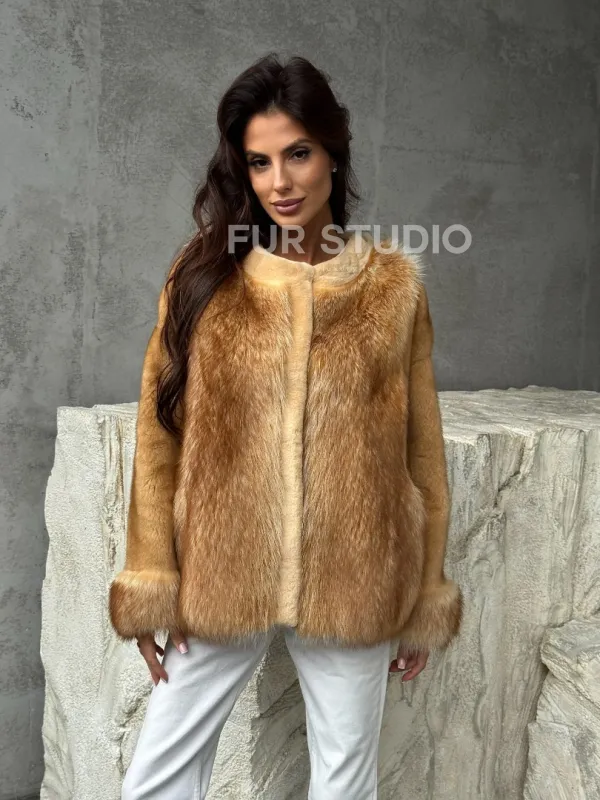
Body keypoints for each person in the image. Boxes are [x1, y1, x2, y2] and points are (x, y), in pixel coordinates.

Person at [108, 52, 463, 800]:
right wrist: (152, 577)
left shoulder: (393, 288)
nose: (280, 182)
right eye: (260, 161)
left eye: (298, 153)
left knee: (346, 783)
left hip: (354, 576)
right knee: (155, 781)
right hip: (220, 572)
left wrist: (425, 593)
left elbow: (422, 454)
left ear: (333, 152)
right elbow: (158, 440)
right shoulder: (204, 279)